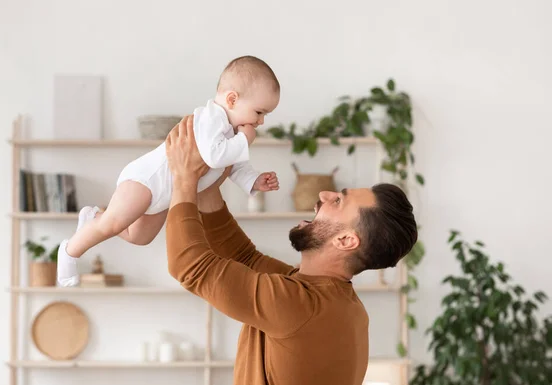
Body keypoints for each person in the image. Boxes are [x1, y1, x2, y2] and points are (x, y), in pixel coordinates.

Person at [163, 116, 418, 385]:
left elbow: (189, 266)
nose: (323, 195)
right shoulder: (333, 301)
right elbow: (243, 257)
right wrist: (207, 188)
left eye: (338, 200)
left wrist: (184, 179)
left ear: (345, 240)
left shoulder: (299, 305)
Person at [56, 55, 281, 287]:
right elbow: (215, 156)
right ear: (232, 99)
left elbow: (234, 164)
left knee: (140, 237)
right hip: (146, 181)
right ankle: (69, 251)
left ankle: (94, 217)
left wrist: (253, 180)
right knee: (112, 225)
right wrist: (244, 140)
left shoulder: (232, 134)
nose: (261, 122)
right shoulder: (211, 119)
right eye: (259, 112)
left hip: (165, 194)